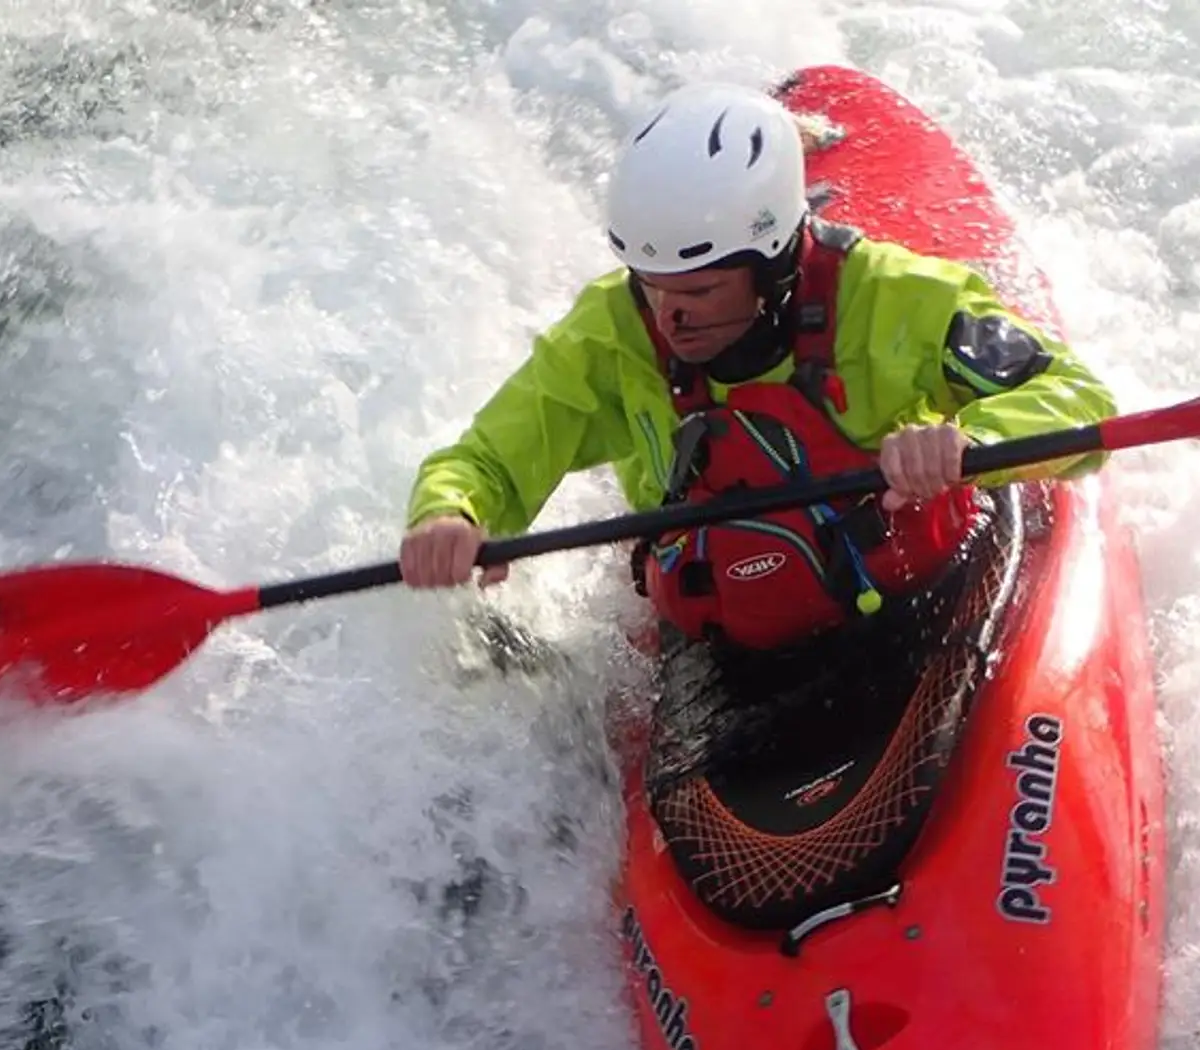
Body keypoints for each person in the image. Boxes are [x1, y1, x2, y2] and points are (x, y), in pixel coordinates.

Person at [397, 82, 1115, 653]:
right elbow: (485, 459)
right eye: (650, 284)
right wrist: (449, 514)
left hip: (918, 596)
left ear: (773, 266)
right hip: (728, 640)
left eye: (701, 289)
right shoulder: (614, 331)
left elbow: (1079, 398)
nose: (667, 318)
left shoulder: (897, 300)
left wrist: (971, 443)